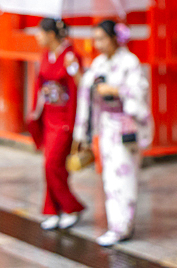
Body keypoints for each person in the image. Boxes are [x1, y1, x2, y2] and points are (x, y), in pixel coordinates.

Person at [74, 20, 152, 247]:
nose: (97, 44)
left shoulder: (130, 62)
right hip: (107, 126)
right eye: (95, 39)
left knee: (124, 176)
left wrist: (116, 90)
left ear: (114, 39)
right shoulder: (99, 63)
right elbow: (86, 92)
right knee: (110, 177)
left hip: (126, 124)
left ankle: (122, 226)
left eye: (101, 38)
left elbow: (139, 91)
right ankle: (116, 225)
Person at [30, 17, 85, 231]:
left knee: (52, 164)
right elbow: (40, 83)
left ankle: (71, 207)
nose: (37, 36)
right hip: (49, 117)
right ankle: (53, 209)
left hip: (64, 119)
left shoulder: (71, 56)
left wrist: (75, 126)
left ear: (52, 34)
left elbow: (78, 89)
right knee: (52, 166)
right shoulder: (46, 55)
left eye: (40, 32)